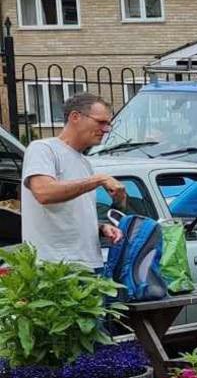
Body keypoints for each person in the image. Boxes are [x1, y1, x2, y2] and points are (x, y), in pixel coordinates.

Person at [20, 91, 124, 267]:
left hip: (88, 264)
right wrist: (98, 180)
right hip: (55, 268)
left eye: (108, 124)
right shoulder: (43, 149)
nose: (106, 129)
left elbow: (71, 214)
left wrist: (101, 228)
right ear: (75, 117)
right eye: (100, 122)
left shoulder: (84, 162)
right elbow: (44, 193)